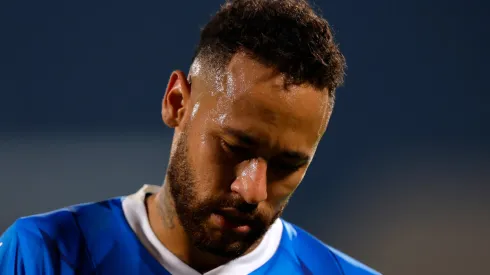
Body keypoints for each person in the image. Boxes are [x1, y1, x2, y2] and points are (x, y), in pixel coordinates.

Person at [0, 0, 381, 274]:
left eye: (287, 165)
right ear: (177, 102)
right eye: (235, 146)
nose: (253, 191)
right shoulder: (42, 256)